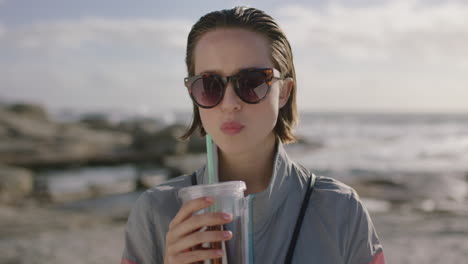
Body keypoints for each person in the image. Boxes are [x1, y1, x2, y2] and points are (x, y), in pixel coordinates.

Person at [121, 6, 385, 264]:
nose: (229, 103)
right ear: (193, 92)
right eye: (209, 85)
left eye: (251, 82)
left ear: (284, 91)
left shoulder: (341, 210)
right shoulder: (156, 213)